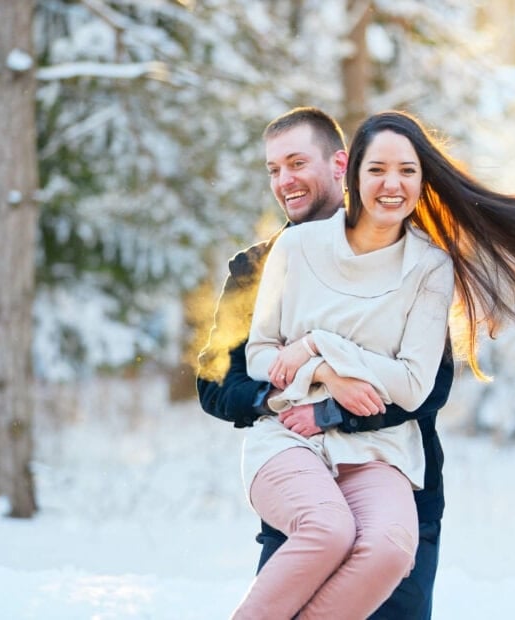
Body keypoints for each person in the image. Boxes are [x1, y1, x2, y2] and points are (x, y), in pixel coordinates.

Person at [231, 110, 515, 618]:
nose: (392, 184)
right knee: (327, 531)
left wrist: (322, 345)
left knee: (390, 549)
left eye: (407, 171)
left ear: (421, 180)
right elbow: (259, 358)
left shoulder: (430, 266)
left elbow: (414, 385)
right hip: (289, 440)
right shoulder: (296, 248)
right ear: (352, 175)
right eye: (377, 170)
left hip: (381, 451)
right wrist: (324, 375)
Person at [196, 107, 453, 619]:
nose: (284, 180)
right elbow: (217, 380)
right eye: (273, 169)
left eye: (296, 163)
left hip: (390, 472)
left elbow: (428, 386)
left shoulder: (419, 259)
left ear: (342, 166)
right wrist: (288, 394)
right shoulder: (260, 266)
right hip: (299, 466)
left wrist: (330, 403)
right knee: (317, 542)